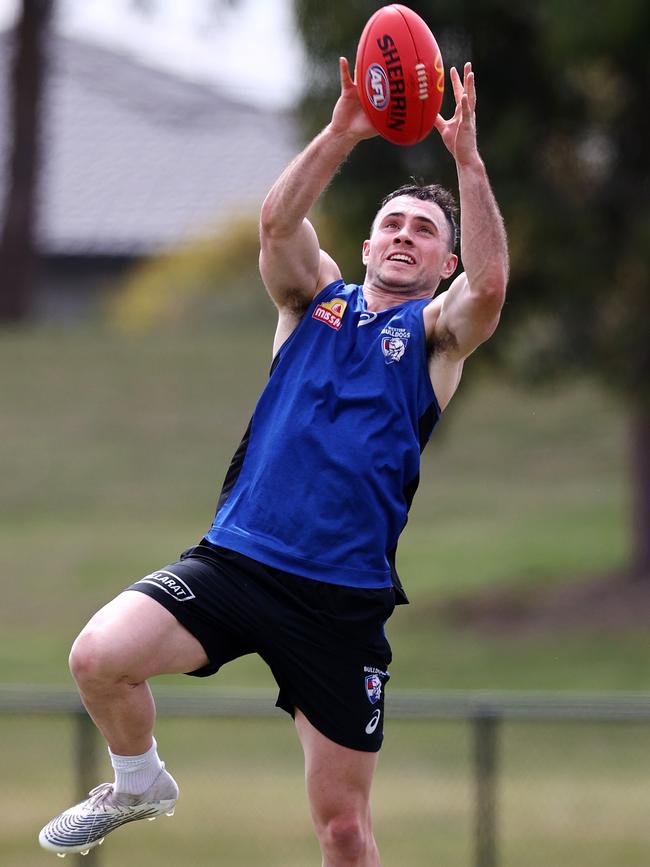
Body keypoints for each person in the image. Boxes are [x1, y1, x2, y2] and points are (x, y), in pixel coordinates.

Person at [39, 58, 508, 865]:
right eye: (394, 224)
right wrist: (341, 132)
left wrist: (466, 159)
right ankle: (138, 778)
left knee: (343, 830)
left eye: (426, 232)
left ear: (444, 267)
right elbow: (277, 225)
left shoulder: (433, 339)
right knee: (98, 657)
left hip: (341, 602)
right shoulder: (314, 299)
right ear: (366, 244)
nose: (406, 235)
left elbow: (493, 287)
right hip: (239, 562)